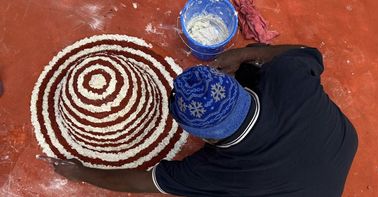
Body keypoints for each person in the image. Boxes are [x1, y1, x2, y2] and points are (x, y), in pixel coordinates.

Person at [49, 44, 358, 197]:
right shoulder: (288, 75)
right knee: (255, 60)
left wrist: (82, 172)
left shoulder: (217, 172)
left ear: (207, 138)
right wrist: (244, 54)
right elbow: (308, 53)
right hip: (341, 143)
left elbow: (144, 181)